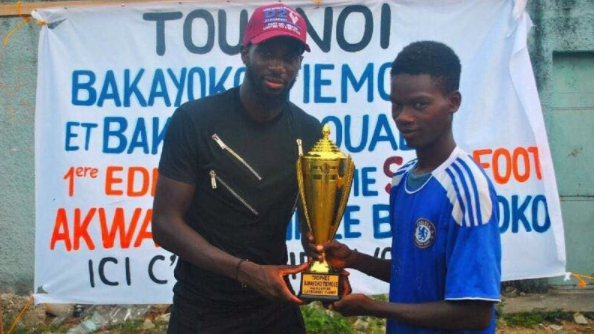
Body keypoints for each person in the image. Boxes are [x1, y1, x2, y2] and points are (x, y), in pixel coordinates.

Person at [304, 41, 502, 333]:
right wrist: (353, 259)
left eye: (419, 104)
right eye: (397, 104)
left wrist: (373, 308)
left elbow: (475, 313)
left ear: (453, 102)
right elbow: (411, 274)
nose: (403, 117)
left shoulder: (467, 189)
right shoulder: (402, 179)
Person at [152, 4, 322, 334]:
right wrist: (245, 271)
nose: (279, 67)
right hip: (204, 307)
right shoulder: (195, 120)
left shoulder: (309, 132)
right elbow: (165, 223)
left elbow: (310, 228)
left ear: (300, 63)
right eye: (267, 53)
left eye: (290, 57)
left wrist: (322, 257)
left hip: (274, 303)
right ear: (245, 53)